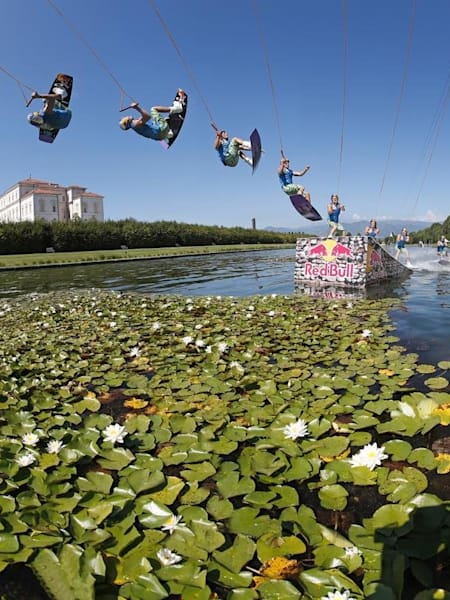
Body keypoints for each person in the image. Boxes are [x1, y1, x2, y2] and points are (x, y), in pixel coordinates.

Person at [119, 89, 187, 141]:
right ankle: (178, 108)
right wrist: (137, 108)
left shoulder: (136, 127)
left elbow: (146, 120)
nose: (126, 116)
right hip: (162, 130)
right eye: (125, 117)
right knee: (153, 109)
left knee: (150, 122)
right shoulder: (135, 124)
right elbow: (148, 117)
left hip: (160, 137)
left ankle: (168, 134)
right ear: (126, 122)